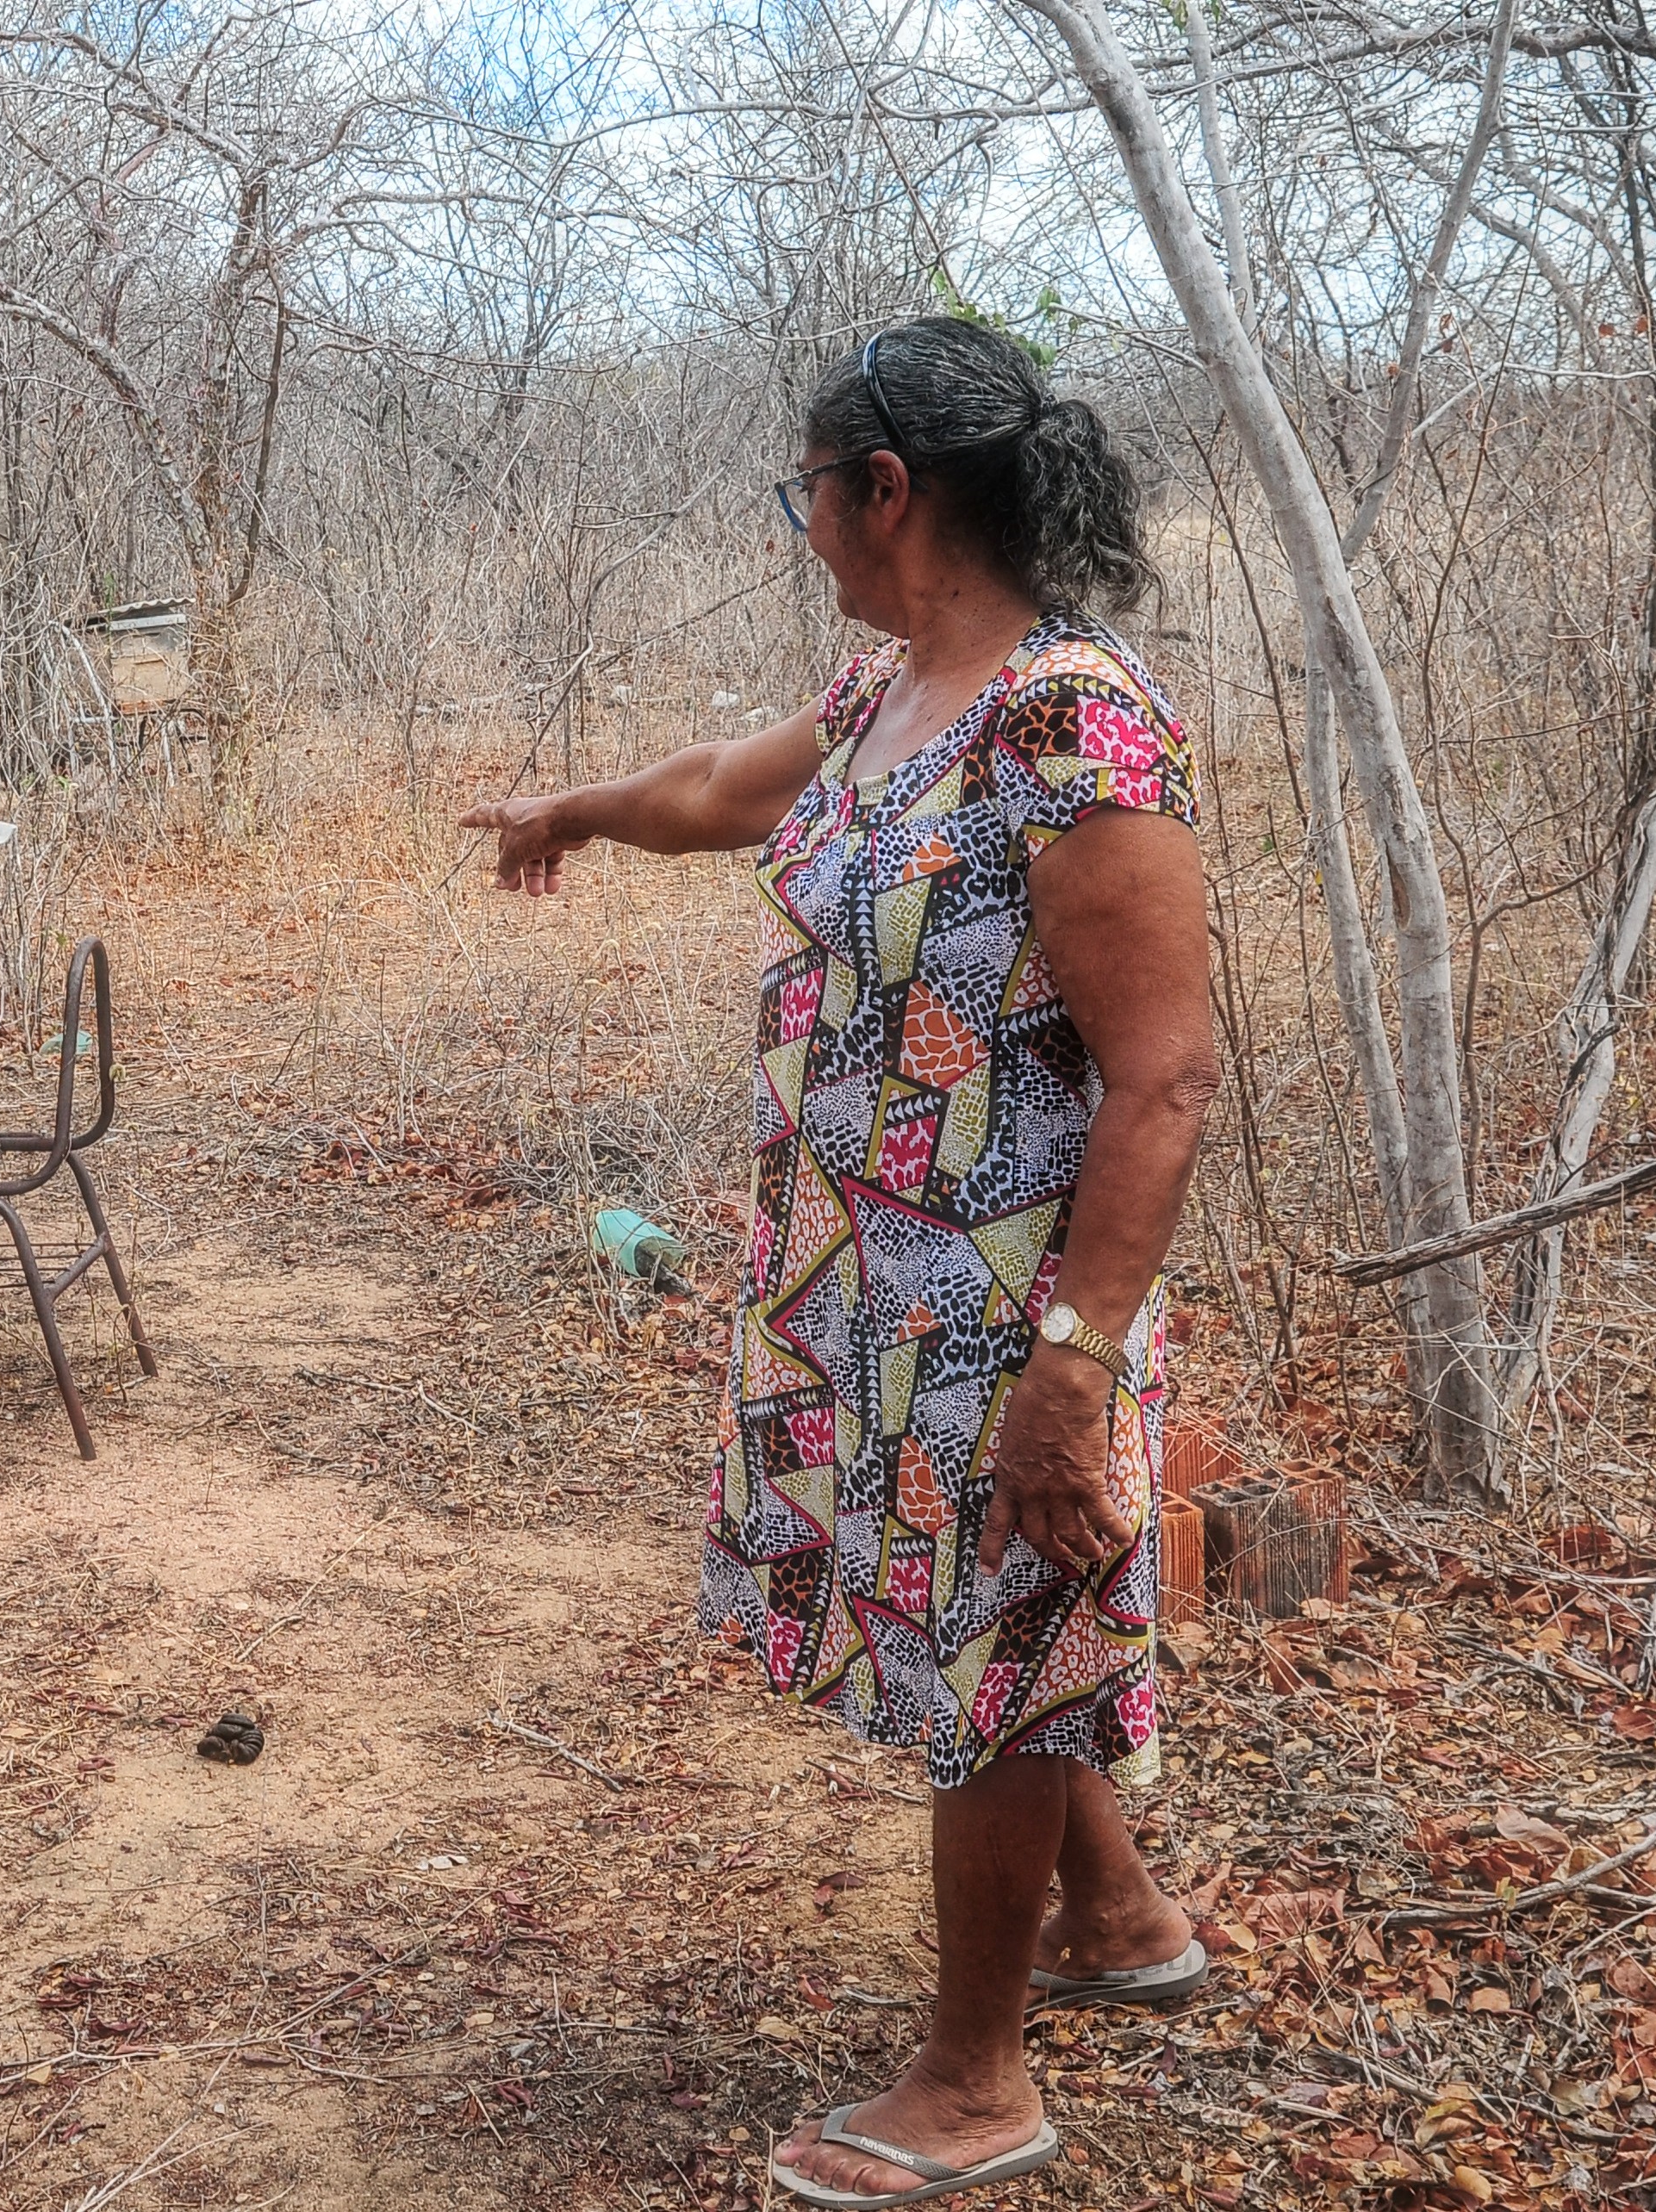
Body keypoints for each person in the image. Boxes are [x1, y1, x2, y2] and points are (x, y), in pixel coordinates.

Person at [464, 316, 1220, 2207]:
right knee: (1003, 1632)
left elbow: (1166, 1077)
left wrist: (1073, 1362)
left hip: (1004, 1307)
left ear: (884, 488)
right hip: (872, 1287)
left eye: (808, 487)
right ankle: (1117, 1915)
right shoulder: (898, 688)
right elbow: (726, 791)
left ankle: (977, 2082)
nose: (801, 519)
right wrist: (576, 809)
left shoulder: (1068, 723)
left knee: (997, 1654)